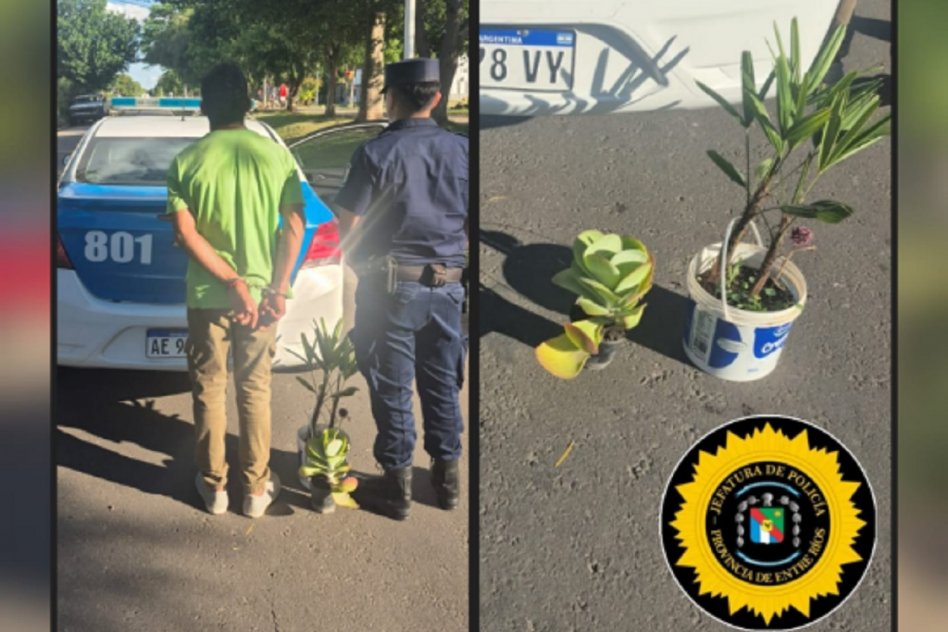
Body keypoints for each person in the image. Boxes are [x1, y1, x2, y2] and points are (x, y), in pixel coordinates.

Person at [165, 63, 306, 518]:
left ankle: (214, 488)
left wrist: (231, 283)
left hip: (209, 298)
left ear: (202, 107)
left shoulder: (186, 162)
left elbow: (186, 235)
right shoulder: (278, 158)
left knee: (208, 390)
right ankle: (255, 490)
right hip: (264, 299)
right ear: (248, 105)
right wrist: (278, 287)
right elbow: (294, 227)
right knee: (255, 389)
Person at [334, 58, 468, 521]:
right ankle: (448, 483)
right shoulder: (462, 150)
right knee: (443, 383)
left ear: (391, 98)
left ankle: (396, 488)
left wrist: (359, 261)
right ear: (435, 98)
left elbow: (348, 223)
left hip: (391, 288)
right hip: (449, 287)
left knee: (393, 388)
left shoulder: (375, 153)